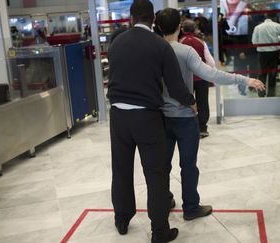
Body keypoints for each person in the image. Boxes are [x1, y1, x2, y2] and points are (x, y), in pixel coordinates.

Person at [154, 8, 265, 222]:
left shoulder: (154, 51)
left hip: (160, 118)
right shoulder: (185, 51)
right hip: (185, 117)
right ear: (179, 26)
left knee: (162, 166)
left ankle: (164, 200)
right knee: (188, 166)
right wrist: (243, 80)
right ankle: (191, 207)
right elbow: (210, 73)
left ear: (158, 27)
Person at [106, 1, 196, 242]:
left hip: (117, 116)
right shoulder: (160, 46)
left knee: (121, 169)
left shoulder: (116, 44)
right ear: (153, 18)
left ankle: (122, 219)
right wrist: (191, 101)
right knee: (156, 175)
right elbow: (176, 87)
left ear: (131, 17)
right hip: (146, 116)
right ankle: (159, 231)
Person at [179, 20, 216, 138]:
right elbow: (211, 62)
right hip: (201, 77)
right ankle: (202, 128)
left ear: (182, 30)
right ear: (195, 29)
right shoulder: (201, 42)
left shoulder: (180, 42)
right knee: (203, 102)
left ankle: (188, 128)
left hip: (186, 78)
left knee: (187, 102)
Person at [252, 12, 280, 97]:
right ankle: (271, 94)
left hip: (262, 54)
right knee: (272, 74)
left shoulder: (258, 27)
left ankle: (261, 93)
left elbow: (254, 42)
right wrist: (277, 39)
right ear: (275, 17)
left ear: (266, 17)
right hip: (274, 53)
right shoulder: (278, 26)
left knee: (262, 73)